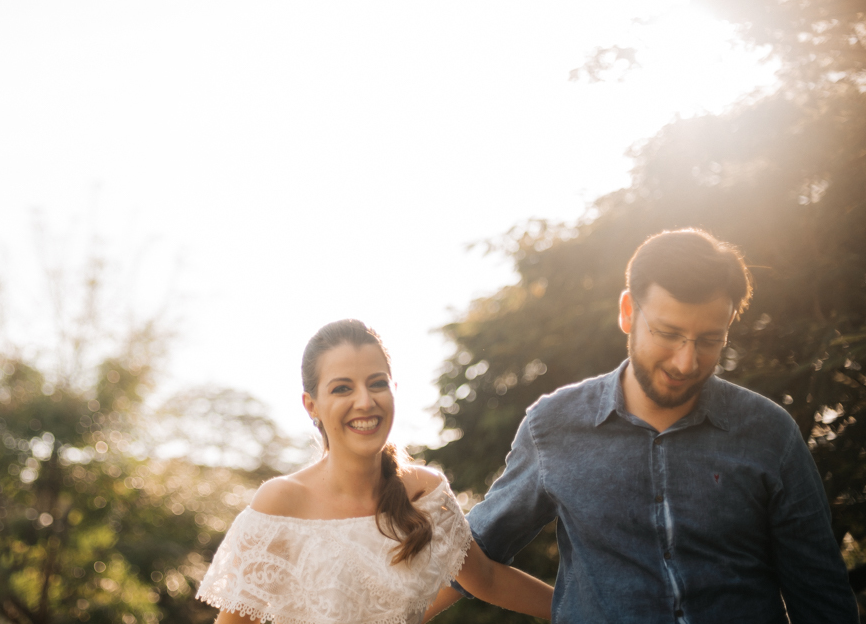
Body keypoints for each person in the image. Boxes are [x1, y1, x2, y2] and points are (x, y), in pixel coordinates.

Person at [451, 229, 857, 623]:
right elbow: (468, 556)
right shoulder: (552, 426)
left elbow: (822, 597)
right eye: (668, 333)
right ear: (628, 311)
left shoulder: (771, 433)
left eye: (710, 340)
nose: (686, 362)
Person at [196, 319, 553, 624]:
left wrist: (581, 610)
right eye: (342, 388)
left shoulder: (427, 493)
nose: (365, 401)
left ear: (394, 390)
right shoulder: (281, 503)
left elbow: (487, 579)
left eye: (377, 383)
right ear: (312, 406)